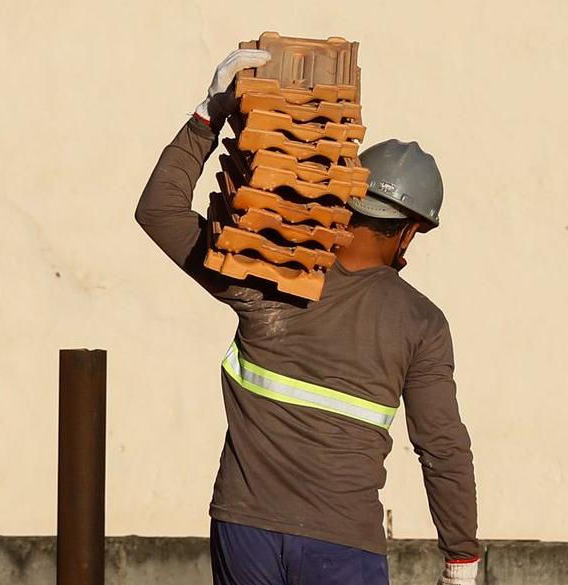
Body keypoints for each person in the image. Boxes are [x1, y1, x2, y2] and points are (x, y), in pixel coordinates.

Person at [136, 48, 479, 585]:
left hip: (243, 528)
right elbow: (442, 447)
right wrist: (461, 557)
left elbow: (158, 210)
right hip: (342, 544)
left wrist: (209, 116)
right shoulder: (420, 324)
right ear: (410, 230)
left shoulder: (265, 271)